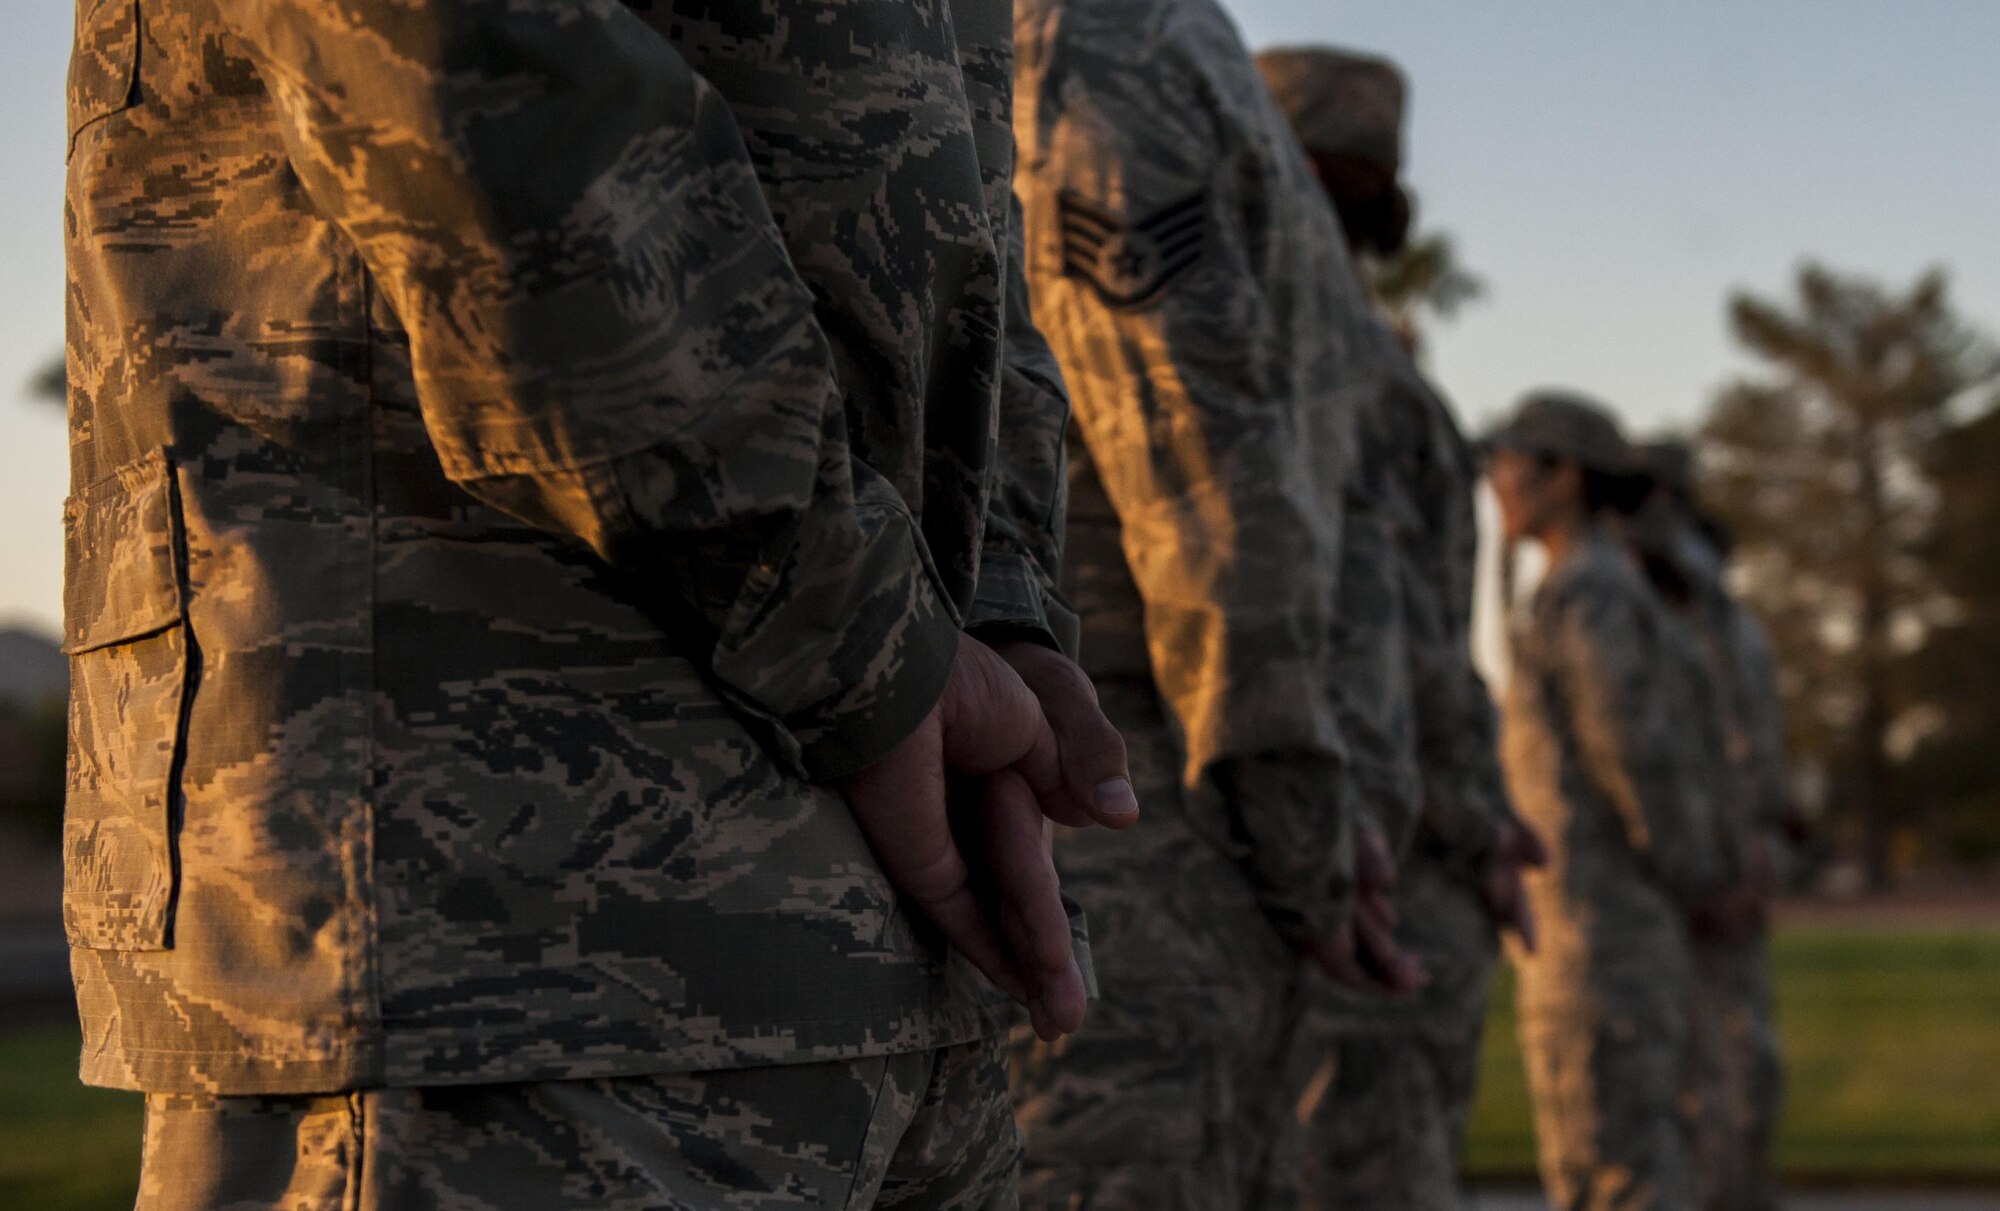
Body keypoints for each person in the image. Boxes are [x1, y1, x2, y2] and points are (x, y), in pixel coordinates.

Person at [61, 1, 1136, 1206]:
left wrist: (995, 604)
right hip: (483, 918)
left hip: (872, 928)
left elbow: (966, 203)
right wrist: (866, 626)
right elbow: (468, 67)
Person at [1005, 3, 1423, 1207]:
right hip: (1209, 818)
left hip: (1137, 811)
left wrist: (1297, 811)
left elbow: (1207, 478)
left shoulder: (1097, 49)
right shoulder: (1197, 59)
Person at [1255, 46, 1547, 1211]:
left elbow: (1384, 627)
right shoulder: (1370, 357)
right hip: (1393, 836)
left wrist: (1461, 822)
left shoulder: (1311, 344)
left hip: (1350, 839)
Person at [1486, 393, 1722, 1211]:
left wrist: (1686, 870)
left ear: (1564, 477)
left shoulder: (1588, 595)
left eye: (1512, 461)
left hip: (1599, 930)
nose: (1496, 480)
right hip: (1600, 926)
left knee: (1612, 1174)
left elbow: (1635, 755)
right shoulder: (1588, 587)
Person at [1635, 441, 1790, 1211]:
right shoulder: (1626, 602)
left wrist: (1757, 846)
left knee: (1747, 1073)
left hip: (1722, 863)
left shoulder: (1717, 615)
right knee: (1677, 1090)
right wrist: (1698, 865)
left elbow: (1742, 745)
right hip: (1664, 880)